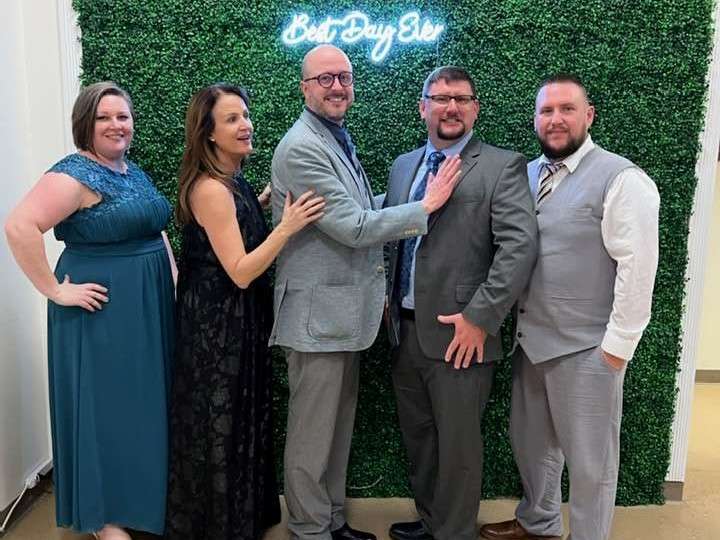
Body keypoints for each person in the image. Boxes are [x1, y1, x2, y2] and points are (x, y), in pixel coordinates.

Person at [270, 45, 462, 540]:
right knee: (312, 437)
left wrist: (408, 190)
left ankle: (330, 521)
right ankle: (311, 529)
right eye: (325, 78)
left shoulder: (332, 136)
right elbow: (353, 227)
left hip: (341, 318)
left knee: (334, 431)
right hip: (318, 320)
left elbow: (355, 205)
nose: (337, 86)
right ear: (305, 87)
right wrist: (426, 204)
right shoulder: (303, 147)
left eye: (344, 77)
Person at [479, 75, 660, 540]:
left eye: (566, 109)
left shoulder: (623, 178)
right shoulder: (525, 174)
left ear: (588, 115)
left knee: (590, 466)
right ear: (536, 119)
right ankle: (538, 523)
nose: (555, 119)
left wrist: (616, 350)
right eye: (546, 111)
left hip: (588, 349)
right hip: (530, 342)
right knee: (532, 447)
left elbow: (637, 269)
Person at [4, 82, 176, 539]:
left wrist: (173, 283)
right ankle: (104, 518)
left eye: (123, 116)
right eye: (105, 117)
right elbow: (20, 225)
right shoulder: (72, 175)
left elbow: (155, 231)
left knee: (140, 408)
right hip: (101, 312)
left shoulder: (130, 171)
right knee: (104, 412)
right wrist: (56, 292)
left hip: (148, 306)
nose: (117, 124)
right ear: (86, 123)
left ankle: (139, 505)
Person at [383, 66, 538, 540]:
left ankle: (454, 533)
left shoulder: (500, 165)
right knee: (421, 439)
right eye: (441, 98)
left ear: (474, 108)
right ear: (422, 106)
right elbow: (393, 235)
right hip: (404, 331)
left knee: (458, 448)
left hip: (461, 335)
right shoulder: (403, 166)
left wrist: (481, 318)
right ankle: (433, 522)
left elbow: (519, 247)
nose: (451, 107)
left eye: (461, 99)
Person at [164, 83, 324, 540]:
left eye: (245, 114)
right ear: (209, 134)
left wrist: (261, 204)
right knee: (221, 423)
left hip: (236, 320)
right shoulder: (211, 190)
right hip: (217, 328)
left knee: (238, 418)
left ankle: (237, 517)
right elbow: (238, 269)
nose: (245, 124)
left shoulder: (233, 184)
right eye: (231, 119)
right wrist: (287, 228)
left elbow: (228, 232)